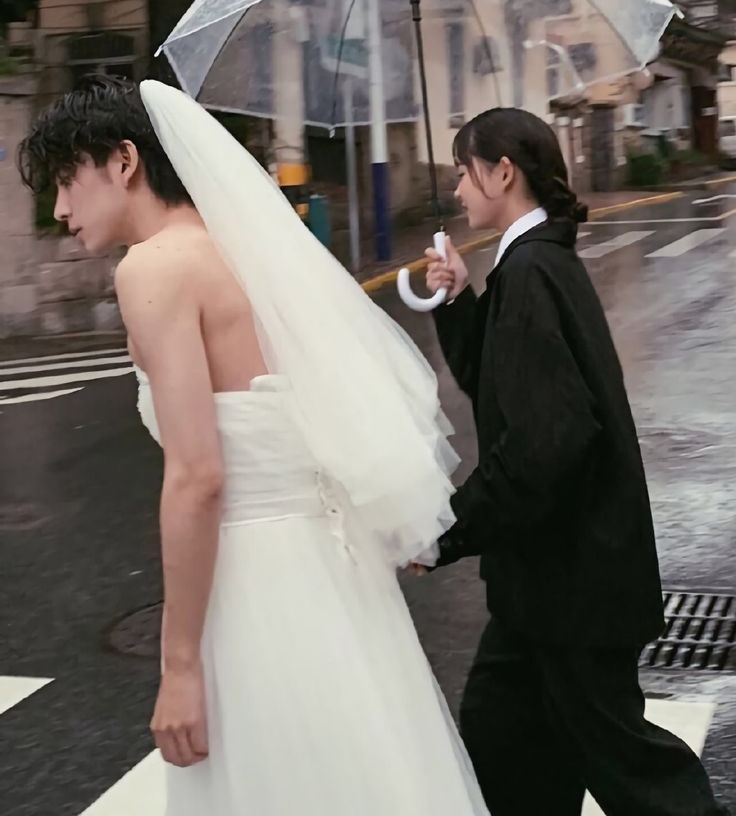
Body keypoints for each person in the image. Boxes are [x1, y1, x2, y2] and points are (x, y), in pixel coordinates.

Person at [18, 76, 488, 816]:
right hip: (328, 573)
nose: (59, 209)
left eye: (66, 182)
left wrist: (178, 667)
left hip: (254, 584)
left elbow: (198, 476)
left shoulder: (154, 268)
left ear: (123, 161)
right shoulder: (242, 255)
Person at [424, 106, 727, 816]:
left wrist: (448, 529)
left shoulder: (534, 271)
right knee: (503, 741)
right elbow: (504, 390)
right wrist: (459, 299)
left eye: (463, 173)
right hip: (547, 587)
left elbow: (546, 442)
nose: (457, 190)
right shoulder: (535, 262)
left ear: (504, 173)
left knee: (633, 770)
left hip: (572, 585)